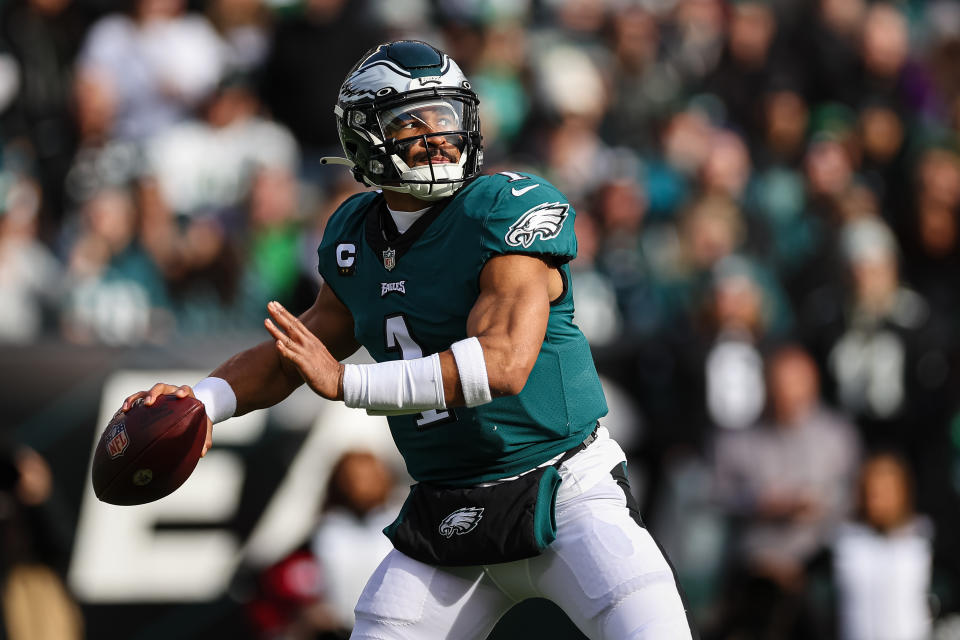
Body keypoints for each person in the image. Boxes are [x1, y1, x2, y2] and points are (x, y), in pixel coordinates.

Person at [121, 40, 693, 639]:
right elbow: (300, 351)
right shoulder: (353, 235)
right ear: (364, 138)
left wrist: (348, 383)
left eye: (446, 118)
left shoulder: (504, 209)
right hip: (446, 514)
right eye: (411, 123)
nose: (436, 137)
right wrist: (201, 401)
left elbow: (501, 364)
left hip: (563, 491)